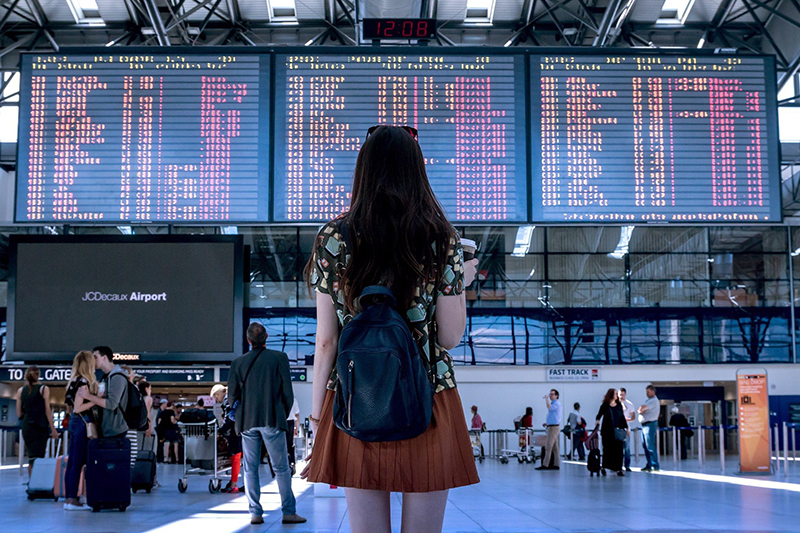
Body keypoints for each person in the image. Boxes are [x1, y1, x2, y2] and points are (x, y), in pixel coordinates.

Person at [301, 125, 480, 533]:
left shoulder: (334, 237)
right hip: (428, 397)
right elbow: (450, 337)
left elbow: (327, 340)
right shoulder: (441, 239)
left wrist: (316, 417)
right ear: (417, 171)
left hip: (354, 397)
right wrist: (459, 284)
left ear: (363, 170)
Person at [228, 322, 305, 526]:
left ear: (248, 340)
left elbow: (231, 397)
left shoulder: (238, 363)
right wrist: (282, 413)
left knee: (250, 468)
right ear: (267, 337)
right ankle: (288, 512)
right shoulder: (279, 358)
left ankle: (255, 513)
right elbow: (288, 393)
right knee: (281, 468)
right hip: (272, 418)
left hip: (247, 422)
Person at [63, 351, 97, 510]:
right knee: (77, 462)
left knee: (71, 462)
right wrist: (95, 400)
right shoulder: (83, 382)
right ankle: (72, 499)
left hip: (74, 424)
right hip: (83, 423)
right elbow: (78, 407)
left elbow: (70, 408)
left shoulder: (72, 382)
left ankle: (68, 497)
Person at [15, 365, 59, 477]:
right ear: (38, 375)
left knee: (31, 456)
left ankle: (32, 482)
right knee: (39, 455)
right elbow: (47, 410)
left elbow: (19, 413)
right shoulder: (43, 389)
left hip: (27, 427)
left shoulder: (21, 391)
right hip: (40, 426)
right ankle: (37, 482)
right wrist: (53, 429)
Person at [77, 347, 129, 440]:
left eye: (95, 357)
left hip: (115, 431)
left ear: (104, 357)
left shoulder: (117, 377)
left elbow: (111, 404)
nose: (93, 360)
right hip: (107, 429)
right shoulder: (106, 377)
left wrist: (88, 396)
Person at [211, 384, 242, 493]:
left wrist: (220, 430)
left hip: (237, 431)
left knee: (235, 456)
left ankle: (233, 484)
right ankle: (240, 482)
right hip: (244, 429)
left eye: (215, 397)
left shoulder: (228, 400)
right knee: (243, 458)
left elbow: (230, 417)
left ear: (219, 393)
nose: (216, 399)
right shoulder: (235, 397)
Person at [595, 388, 628, 476]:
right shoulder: (605, 405)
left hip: (617, 430)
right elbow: (599, 415)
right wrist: (597, 421)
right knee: (607, 450)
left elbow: (622, 417)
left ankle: (618, 469)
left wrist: (626, 428)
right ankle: (604, 466)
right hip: (607, 431)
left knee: (619, 450)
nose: (617, 395)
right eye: (615, 394)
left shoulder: (619, 405)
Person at [536, 389, 562, 471]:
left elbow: (549, 408)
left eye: (552, 394)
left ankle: (545, 464)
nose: (550, 396)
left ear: (556, 395)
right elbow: (553, 416)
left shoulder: (557, 403)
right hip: (551, 426)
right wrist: (547, 423)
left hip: (553, 428)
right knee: (555, 447)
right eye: (550, 394)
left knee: (548, 445)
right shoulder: (554, 404)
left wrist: (546, 399)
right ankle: (556, 464)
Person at [637, 384, 661, 472]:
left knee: (650, 445)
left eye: (648, 392)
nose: (646, 393)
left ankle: (655, 465)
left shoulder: (653, 401)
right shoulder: (649, 400)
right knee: (645, 446)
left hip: (650, 425)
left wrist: (640, 410)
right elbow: (640, 408)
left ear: (653, 392)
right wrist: (640, 409)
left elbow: (641, 409)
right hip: (645, 425)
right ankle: (649, 464)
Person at [619, 388, 637, 472]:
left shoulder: (630, 404)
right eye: (620, 394)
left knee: (626, 448)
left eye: (622, 394)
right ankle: (616, 465)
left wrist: (627, 420)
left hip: (626, 429)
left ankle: (627, 465)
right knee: (616, 448)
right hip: (617, 429)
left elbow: (633, 417)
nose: (621, 396)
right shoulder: (614, 404)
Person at [286, 398, 300, 475]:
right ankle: (292, 462)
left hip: (281, 422)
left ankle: (284, 464)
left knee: (281, 444)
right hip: (290, 423)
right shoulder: (294, 400)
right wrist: (296, 428)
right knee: (290, 444)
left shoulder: (277, 397)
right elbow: (297, 415)